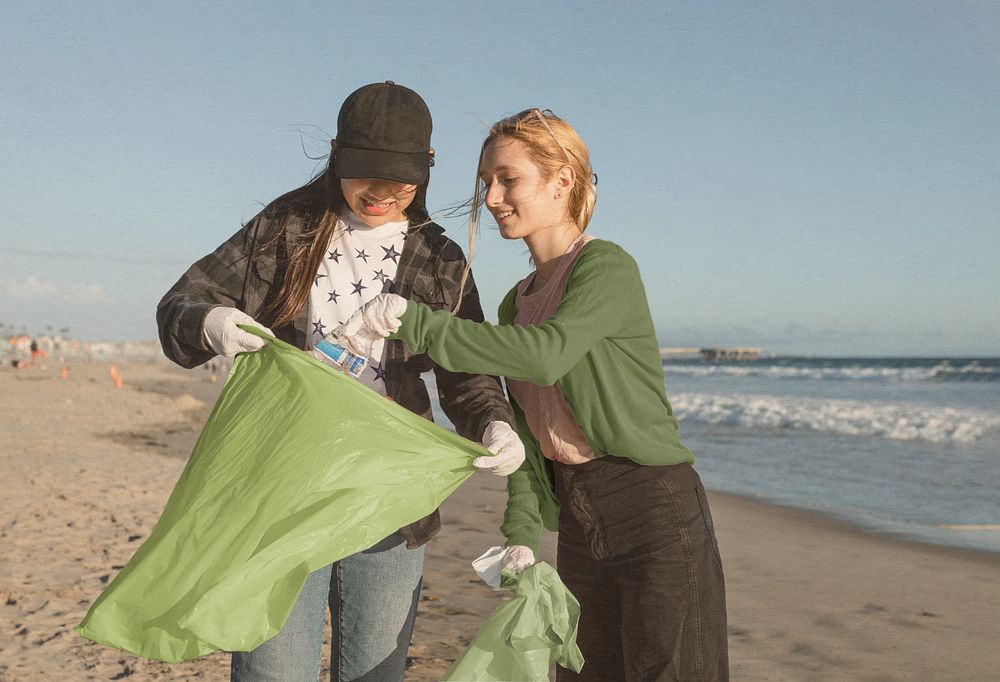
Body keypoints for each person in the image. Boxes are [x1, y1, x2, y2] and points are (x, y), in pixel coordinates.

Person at [156, 82, 523, 682]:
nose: (379, 194)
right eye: (364, 176)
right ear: (335, 154)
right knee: (272, 671)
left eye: (398, 181)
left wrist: (495, 423)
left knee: (374, 673)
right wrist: (213, 322)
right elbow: (180, 307)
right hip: (280, 487)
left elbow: (468, 371)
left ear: (426, 169)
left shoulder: (440, 258)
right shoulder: (286, 227)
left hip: (388, 495)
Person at [344, 108, 729, 681]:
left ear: (562, 181)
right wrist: (522, 533)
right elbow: (526, 432)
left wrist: (416, 323)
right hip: (577, 514)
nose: (493, 197)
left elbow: (545, 354)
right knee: (579, 672)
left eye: (508, 179)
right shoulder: (516, 301)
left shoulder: (606, 267)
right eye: (486, 184)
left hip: (652, 508)